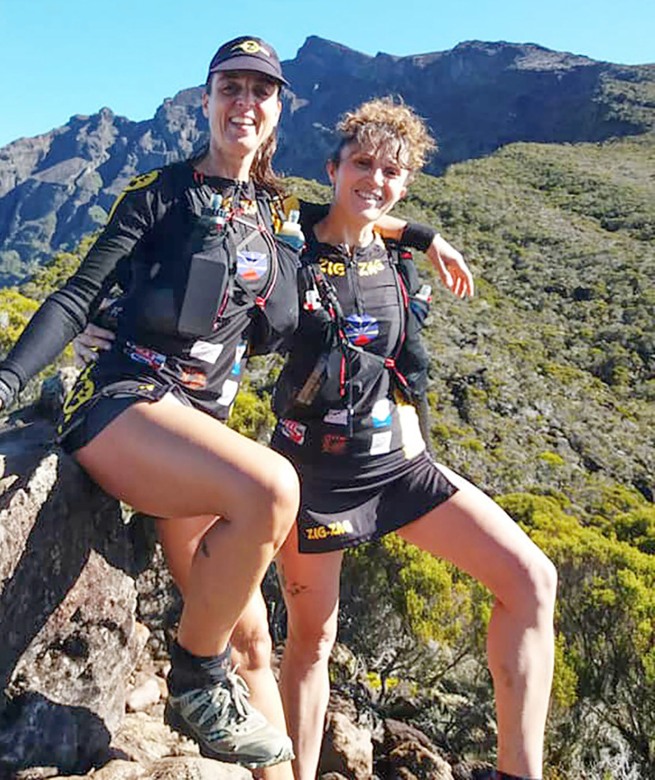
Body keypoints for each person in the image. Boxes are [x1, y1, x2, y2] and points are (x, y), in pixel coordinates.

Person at [79, 99, 556, 780]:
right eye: (361, 163)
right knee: (312, 642)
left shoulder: (396, 252)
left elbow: (375, 219)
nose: (376, 179)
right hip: (314, 476)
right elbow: (194, 256)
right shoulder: (286, 235)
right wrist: (106, 321)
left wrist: (423, 236)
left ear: (408, 181)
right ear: (331, 169)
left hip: (404, 468)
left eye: (392, 170)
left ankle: (520, 772)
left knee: (532, 579)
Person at [0, 35, 307, 771]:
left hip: (195, 431)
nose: (245, 102)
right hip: (124, 403)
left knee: (249, 637)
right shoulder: (158, 193)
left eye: (261, 90)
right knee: (274, 487)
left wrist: (414, 233)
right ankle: (190, 683)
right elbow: (75, 296)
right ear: (208, 99)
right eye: (231, 87)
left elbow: (322, 269)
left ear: (277, 110)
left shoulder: (275, 216)